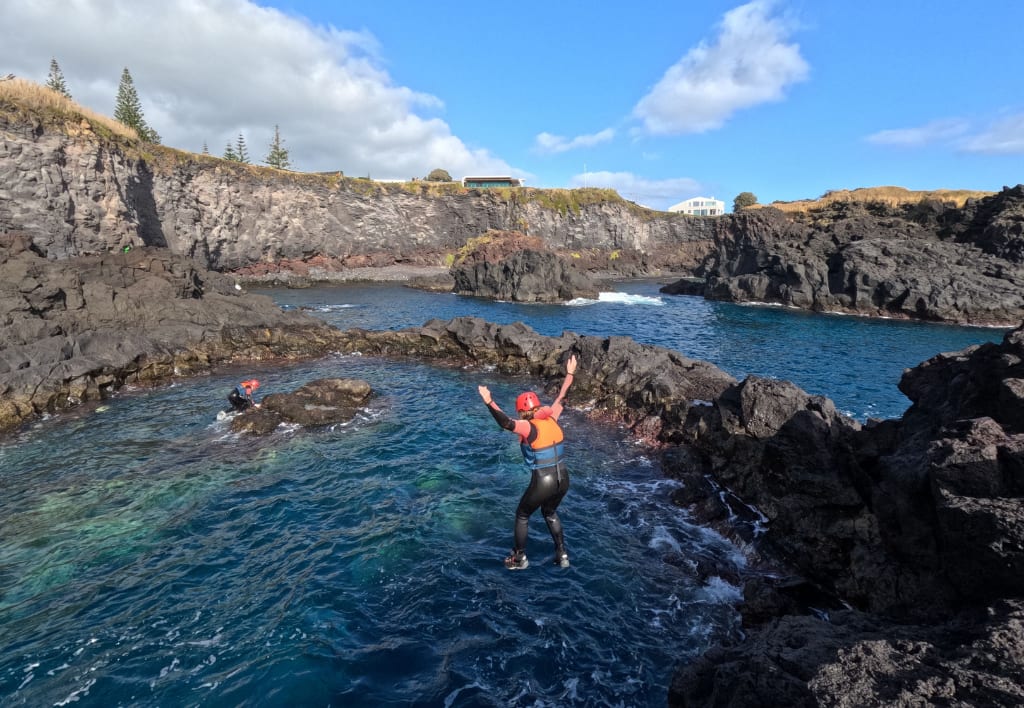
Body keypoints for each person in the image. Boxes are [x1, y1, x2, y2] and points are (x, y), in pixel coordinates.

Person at [478, 354, 578, 570]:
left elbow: (505, 422)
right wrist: (570, 373)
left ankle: (519, 558)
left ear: (523, 412)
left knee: (522, 514)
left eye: (520, 413)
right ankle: (562, 554)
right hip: (564, 479)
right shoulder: (552, 417)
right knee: (549, 512)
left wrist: (489, 401)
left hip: (544, 480)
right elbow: (563, 396)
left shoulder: (528, 426)